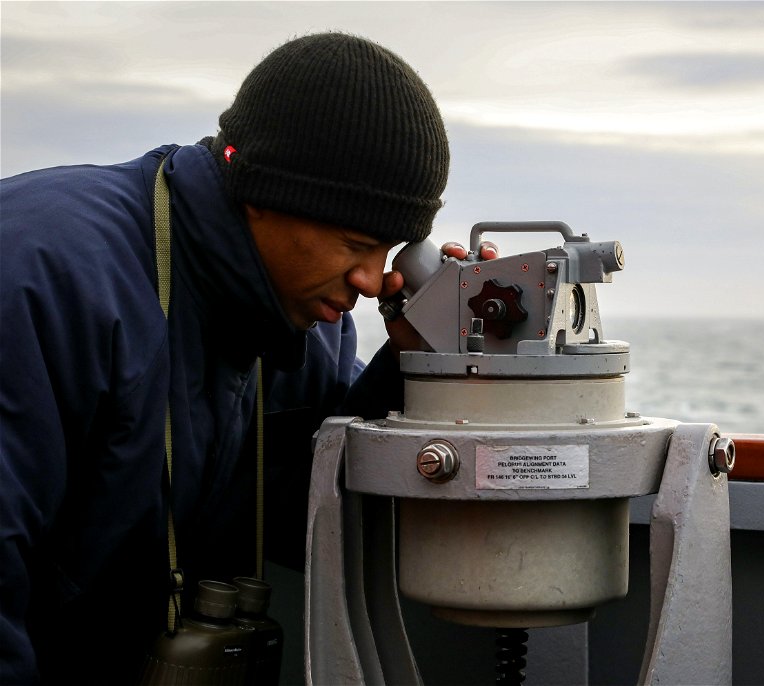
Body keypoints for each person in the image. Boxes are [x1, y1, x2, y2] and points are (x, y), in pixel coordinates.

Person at [0, 32, 493, 684]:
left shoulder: (305, 320)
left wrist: (407, 368)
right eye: (354, 242)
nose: (373, 281)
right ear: (263, 192)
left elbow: (293, 518)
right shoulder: (41, 276)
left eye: (389, 249)